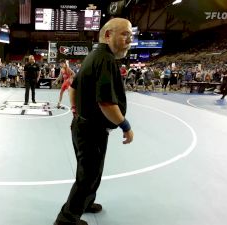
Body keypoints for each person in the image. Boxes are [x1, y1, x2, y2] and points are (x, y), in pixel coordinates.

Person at [54, 18, 134, 225]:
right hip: (91, 130)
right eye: (124, 34)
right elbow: (106, 102)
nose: (129, 39)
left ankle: (86, 203)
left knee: (92, 172)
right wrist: (125, 126)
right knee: (87, 176)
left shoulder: (93, 56)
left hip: (82, 126)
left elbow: (74, 87)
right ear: (108, 35)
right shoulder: (105, 60)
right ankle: (66, 220)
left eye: (131, 35)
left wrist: (74, 111)